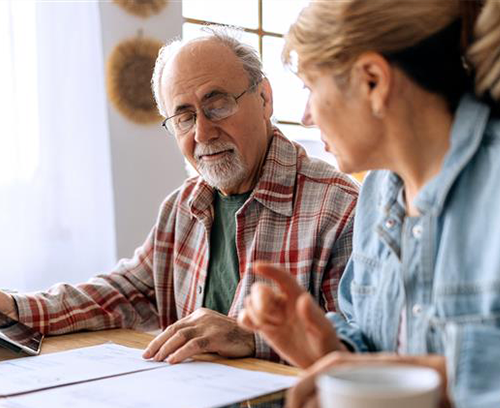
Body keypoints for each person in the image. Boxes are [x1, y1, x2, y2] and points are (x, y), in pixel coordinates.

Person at [0, 27, 358, 363]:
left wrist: (251, 338)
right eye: (184, 117)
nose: (202, 132)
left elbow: (356, 349)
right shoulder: (181, 206)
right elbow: (127, 291)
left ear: (264, 98)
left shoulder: (339, 208)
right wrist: (16, 306)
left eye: (217, 106)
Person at [238, 0, 500, 408]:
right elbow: (372, 341)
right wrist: (329, 349)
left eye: (309, 87)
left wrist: (425, 378)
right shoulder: (377, 192)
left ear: (372, 81)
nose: (305, 115)